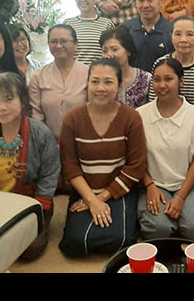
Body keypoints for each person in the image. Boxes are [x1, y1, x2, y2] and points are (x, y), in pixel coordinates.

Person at [0, 72, 60, 261]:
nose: (2, 108)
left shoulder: (40, 133)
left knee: (29, 250)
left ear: (22, 100)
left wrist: (40, 205)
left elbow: (50, 172)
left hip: (31, 203)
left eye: (8, 99)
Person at [58, 58, 147, 257]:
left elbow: (136, 166)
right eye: (95, 81)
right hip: (85, 189)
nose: (100, 88)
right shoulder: (72, 118)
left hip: (118, 190)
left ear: (119, 85)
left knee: (121, 241)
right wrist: (90, 199)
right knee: (75, 243)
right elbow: (69, 165)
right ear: (87, 83)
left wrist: (101, 199)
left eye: (108, 82)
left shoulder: (131, 117)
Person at [137, 57, 194, 241]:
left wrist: (180, 197)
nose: (162, 85)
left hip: (189, 183)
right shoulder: (140, 115)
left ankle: (181, 215)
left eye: (168, 79)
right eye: (157, 80)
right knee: (158, 230)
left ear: (181, 81)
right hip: (154, 183)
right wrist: (149, 186)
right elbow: (136, 159)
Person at [149, 15, 194, 121]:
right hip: (163, 122)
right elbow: (153, 100)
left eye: (190, 34)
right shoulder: (160, 63)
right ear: (171, 37)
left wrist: (192, 125)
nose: (183, 40)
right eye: (178, 34)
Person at [28, 24, 89, 140]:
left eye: (64, 41)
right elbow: (36, 114)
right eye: (53, 41)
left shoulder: (89, 74)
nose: (58, 45)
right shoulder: (38, 76)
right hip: (50, 142)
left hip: (84, 140)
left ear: (76, 44)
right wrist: (49, 142)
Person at [121, 0, 174, 73]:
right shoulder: (125, 29)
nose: (145, 5)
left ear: (161, 1)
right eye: (141, 0)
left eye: (150, 0)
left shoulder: (172, 31)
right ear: (135, 2)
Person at [63, 0, 115, 65]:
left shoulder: (107, 24)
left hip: (100, 71)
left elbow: (112, 52)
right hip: (74, 72)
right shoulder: (68, 24)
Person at [100, 25, 151, 109]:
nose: (109, 55)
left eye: (114, 49)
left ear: (128, 51)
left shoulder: (146, 78)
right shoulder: (99, 80)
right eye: (105, 51)